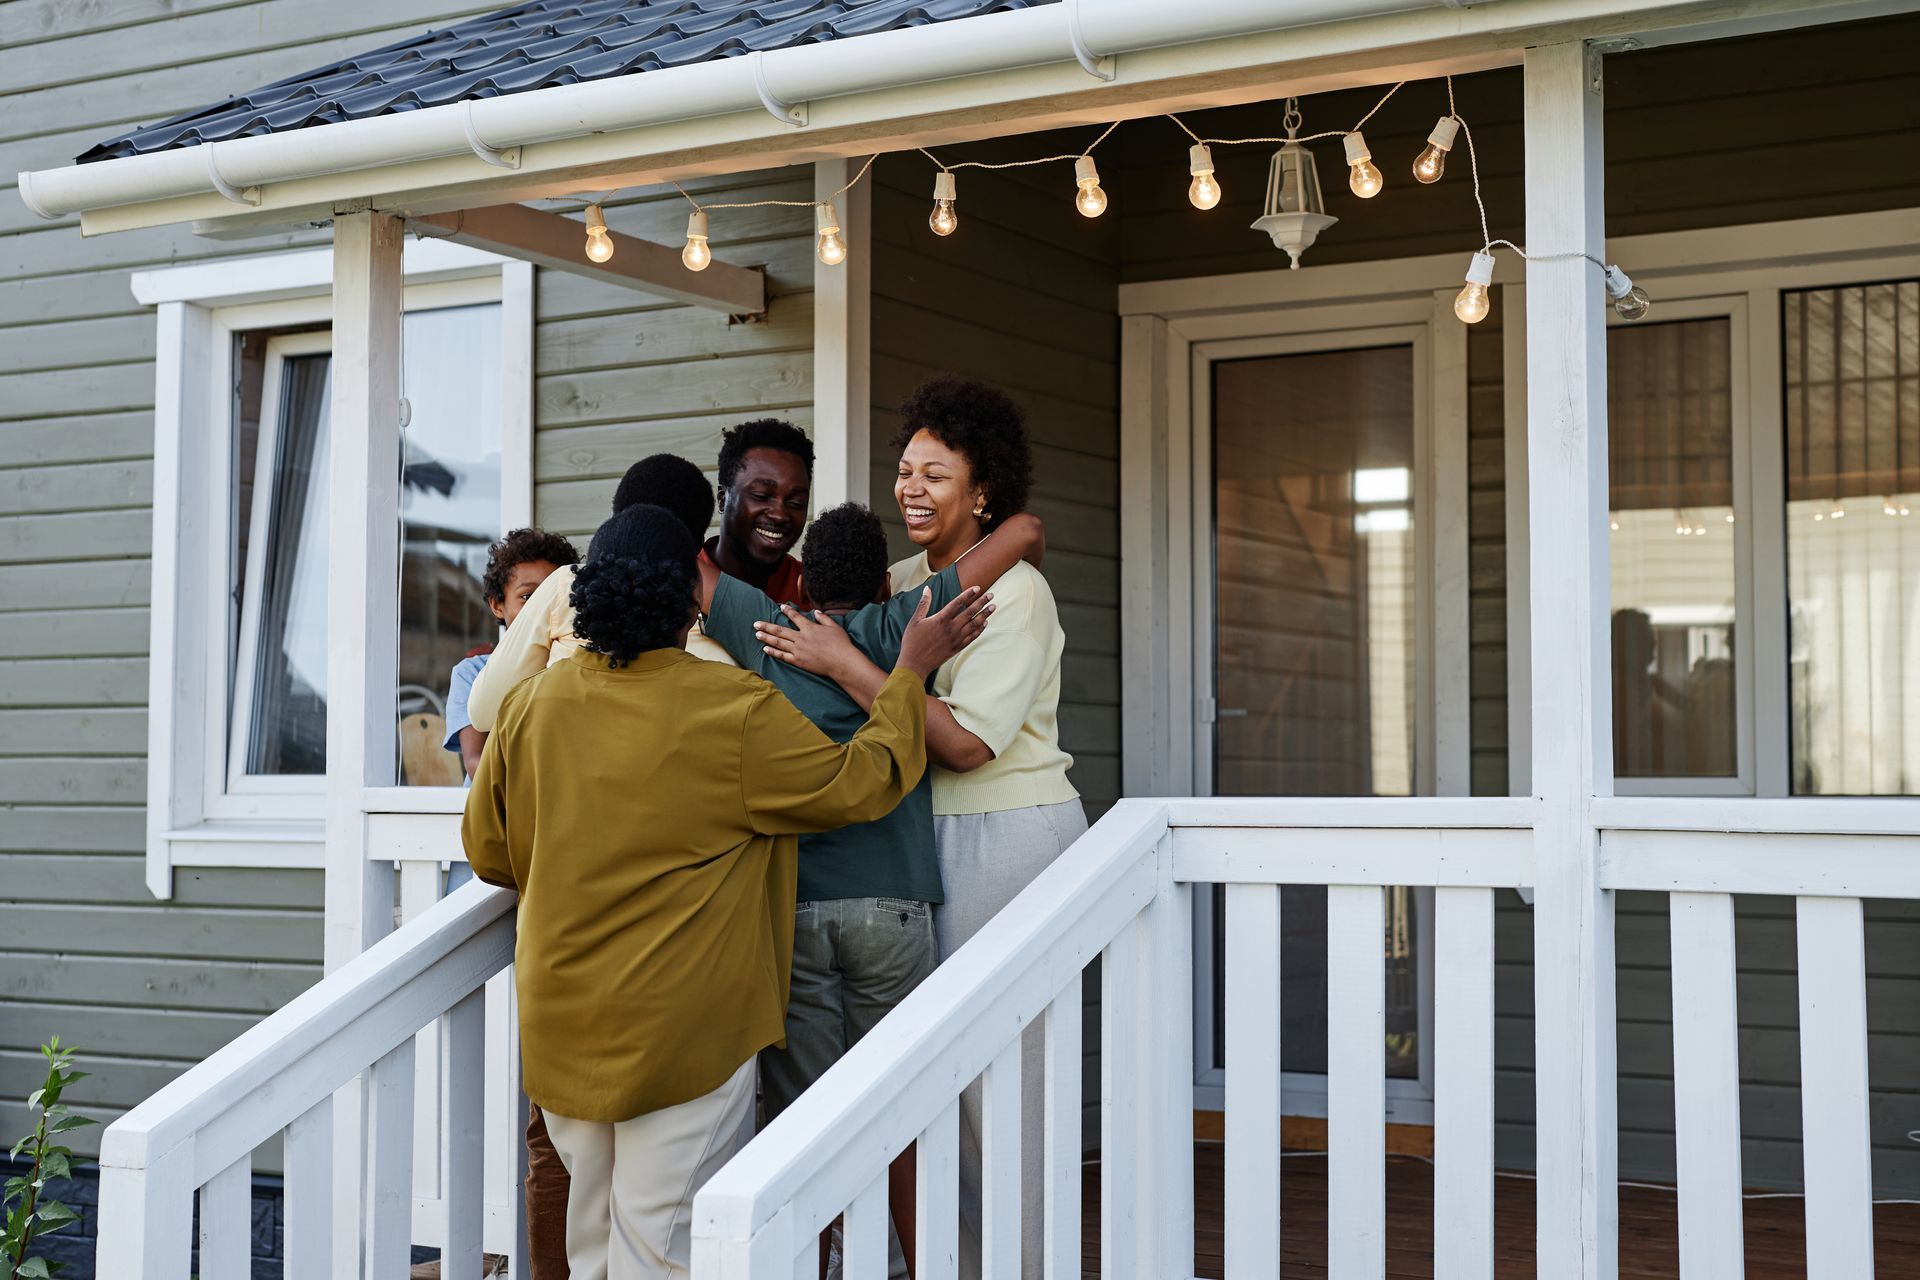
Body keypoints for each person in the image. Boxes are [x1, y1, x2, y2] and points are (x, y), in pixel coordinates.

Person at [462, 503, 979, 1280]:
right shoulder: (731, 707)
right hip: (687, 1038)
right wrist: (906, 673)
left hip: (563, 1028)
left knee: (592, 1251)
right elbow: (859, 783)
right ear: (687, 601)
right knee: (663, 1257)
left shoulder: (531, 708)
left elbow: (489, 852)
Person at [755, 375, 1081, 1280]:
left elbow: (969, 744)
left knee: (1001, 1087)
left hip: (1006, 838)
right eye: (905, 471)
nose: (911, 489)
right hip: (928, 845)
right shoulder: (910, 582)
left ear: (981, 490)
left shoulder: (1014, 599)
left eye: (936, 475)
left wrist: (844, 662)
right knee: (940, 1085)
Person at [698, 502, 1043, 1278]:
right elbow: (1019, 534)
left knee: (805, 1124)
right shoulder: (902, 623)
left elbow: (695, 569)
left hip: (798, 905)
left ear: (804, 578)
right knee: (905, 1114)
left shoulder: (767, 626)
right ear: (883, 576)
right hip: (894, 905)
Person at [465, 453, 730, 734]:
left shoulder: (567, 584)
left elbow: (484, 712)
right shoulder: (727, 626)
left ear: (616, 524)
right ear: (697, 547)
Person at [444, 528, 581, 783]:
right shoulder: (471, 673)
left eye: (551, 597)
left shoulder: (576, 667)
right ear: (497, 605)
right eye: (528, 597)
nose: (540, 609)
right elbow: (476, 763)